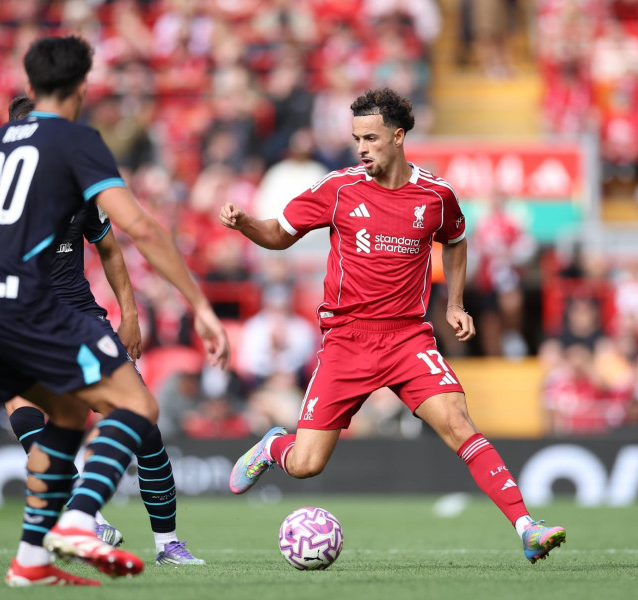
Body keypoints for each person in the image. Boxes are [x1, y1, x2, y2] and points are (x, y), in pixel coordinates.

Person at [0, 36, 229, 587]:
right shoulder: (73, 140)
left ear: (30, 84)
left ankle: (32, 561)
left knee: (62, 419)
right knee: (137, 405)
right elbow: (138, 226)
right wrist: (200, 305)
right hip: (33, 308)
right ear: (82, 87)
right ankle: (78, 518)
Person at [220, 87, 566, 564]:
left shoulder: (435, 196)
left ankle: (527, 526)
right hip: (347, 342)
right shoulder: (338, 187)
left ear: (398, 137)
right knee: (305, 465)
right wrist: (245, 224)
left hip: (407, 339)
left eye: (371, 138)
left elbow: (457, 240)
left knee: (459, 422)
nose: (361, 148)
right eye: (356, 138)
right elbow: (279, 234)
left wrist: (455, 305)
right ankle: (272, 446)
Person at [1, 96, 205, 565]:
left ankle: (166, 544)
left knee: (144, 425)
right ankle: (82, 512)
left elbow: (110, 251)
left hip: (79, 320)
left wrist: (129, 316)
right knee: (23, 402)